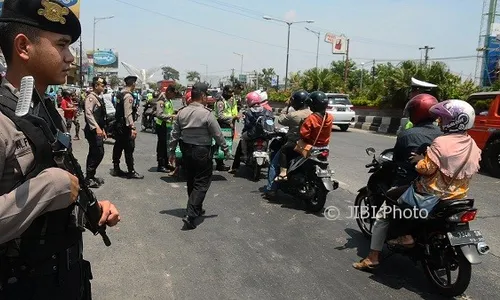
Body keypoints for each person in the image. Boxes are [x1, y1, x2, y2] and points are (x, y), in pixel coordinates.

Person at [0, 0, 120, 298]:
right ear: (24, 46)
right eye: (62, 45)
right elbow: (52, 184)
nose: (71, 58)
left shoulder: (45, 111)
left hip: (63, 279)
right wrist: (51, 187)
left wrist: (89, 205)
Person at [353, 99, 481, 271]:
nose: (440, 122)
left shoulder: (438, 141)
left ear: (453, 121)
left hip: (430, 193)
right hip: (458, 195)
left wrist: (420, 161)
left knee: (385, 210)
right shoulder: (472, 143)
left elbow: (426, 169)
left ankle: (373, 257)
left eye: (443, 119)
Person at [168, 82, 230, 230]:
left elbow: (174, 135)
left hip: (186, 150)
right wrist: (226, 150)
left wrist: (171, 152)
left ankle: (196, 207)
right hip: (202, 151)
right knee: (202, 182)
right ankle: (191, 215)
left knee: (191, 179)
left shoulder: (181, 112)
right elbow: (218, 134)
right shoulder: (207, 114)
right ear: (202, 96)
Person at [263, 90, 312, 198]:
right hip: (310, 145)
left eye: (293, 101)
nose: (292, 102)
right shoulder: (313, 114)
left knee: (274, 164)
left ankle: (271, 189)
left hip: (295, 144)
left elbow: (280, 120)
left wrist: (287, 106)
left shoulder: (294, 115)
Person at [393, 94, 443, 184]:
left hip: (412, 182)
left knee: (389, 194)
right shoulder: (444, 135)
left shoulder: (406, 135)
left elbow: (396, 159)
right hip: (438, 183)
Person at [112, 75, 144, 179]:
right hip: (125, 126)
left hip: (118, 125)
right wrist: (132, 127)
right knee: (129, 148)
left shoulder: (120, 94)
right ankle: (131, 171)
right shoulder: (128, 96)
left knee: (118, 146)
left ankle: (116, 168)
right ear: (133, 84)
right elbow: (128, 114)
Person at [84, 76, 107, 188]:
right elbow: (88, 114)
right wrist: (96, 127)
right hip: (92, 130)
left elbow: (100, 116)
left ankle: (91, 176)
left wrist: (102, 129)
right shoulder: (91, 98)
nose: (103, 87)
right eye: (101, 85)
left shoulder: (98, 97)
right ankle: (88, 178)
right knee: (97, 153)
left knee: (97, 152)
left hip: (97, 130)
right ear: (96, 85)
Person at [214, 85, 239, 171]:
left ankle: (221, 162)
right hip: (221, 125)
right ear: (224, 92)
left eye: (231, 93)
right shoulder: (220, 102)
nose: (231, 95)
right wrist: (232, 118)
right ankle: (219, 163)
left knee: (227, 143)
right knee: (222, 143)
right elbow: (220, 116)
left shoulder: (227, 101)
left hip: (227, 125)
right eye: (229, 93)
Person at [155, 85, 176, 172]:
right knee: (162, 146)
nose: (173, 96)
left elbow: (168, 111)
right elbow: (159, 114)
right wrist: (171, 116)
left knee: (167, 145)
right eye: (173, 94)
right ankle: (161, 164)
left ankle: (166, 163)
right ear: (169, 92)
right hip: (161, 125)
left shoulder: (168, 100)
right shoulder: (161, 101)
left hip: (167, 125)